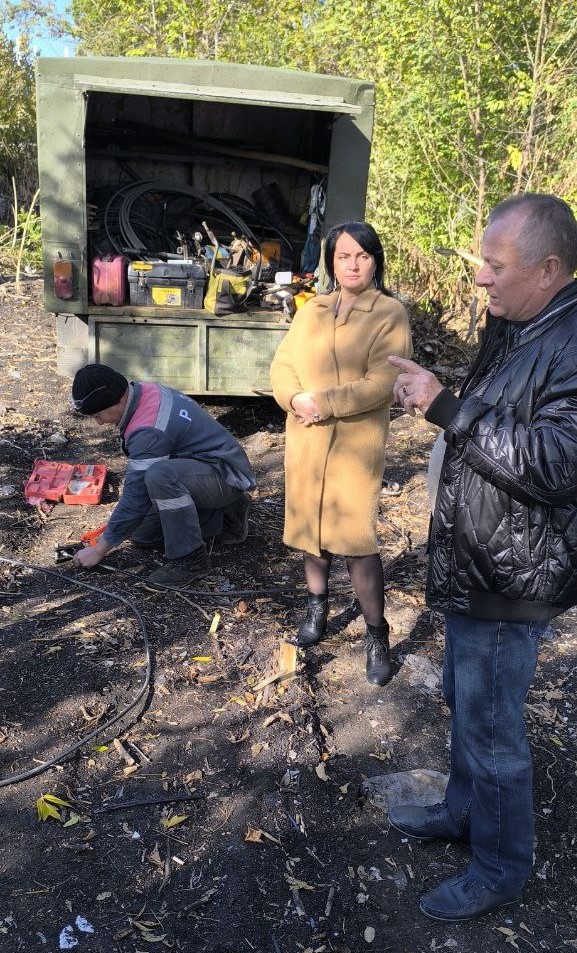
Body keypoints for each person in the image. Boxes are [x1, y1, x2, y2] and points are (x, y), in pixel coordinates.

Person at [386, 193, 577, 922]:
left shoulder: (568, 338)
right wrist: (447, 393)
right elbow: (507, 411)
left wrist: (448, 406)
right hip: (481, 557)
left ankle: (499, 865)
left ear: (549, 268)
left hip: (512, 575)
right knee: (462, 702)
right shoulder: (521, 322)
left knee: (493, 730)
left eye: (494, 268)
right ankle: (461, 812)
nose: (480, 281)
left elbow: (558, 462)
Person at [270, 221, 412, 685]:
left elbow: (382, 383)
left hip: (354, 445)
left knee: (356, 544)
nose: (352, 264)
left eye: (362, 255)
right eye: (343, 256)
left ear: (376, 260)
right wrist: (293, 399)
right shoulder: (312, 309)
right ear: (331, 261)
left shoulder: (389, 313)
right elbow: (283, 363)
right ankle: (317, 607)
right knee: (312, 530)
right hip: (306, 439)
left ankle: (377, 632)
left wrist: (322, 403)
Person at [70, 364, 255, 587]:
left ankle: (190, 560)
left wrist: (99, 550)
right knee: (142, 534)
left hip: (226, 475)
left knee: (160, 476)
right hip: (201, 470)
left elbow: (136, 497)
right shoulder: (141, 391)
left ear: (116, 400)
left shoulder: (148, 429)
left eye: (98, 414)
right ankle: (224, 516)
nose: (98, 422)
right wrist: (114, 533)